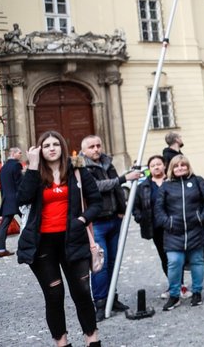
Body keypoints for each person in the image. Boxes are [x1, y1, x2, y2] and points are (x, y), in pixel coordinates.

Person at [17, 131, 102, 347]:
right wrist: (33, 166)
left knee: (82, 292)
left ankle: (92, 340)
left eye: (56, 144)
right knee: (54, 295)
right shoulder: (34, 174)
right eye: (46, 145)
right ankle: (62, 343)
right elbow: (22, 198)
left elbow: (96, 202)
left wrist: (81, 220)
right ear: (40, 150)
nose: (52, 148)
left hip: (73, 239)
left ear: (63, 147)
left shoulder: (77, 171)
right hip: (42, 244)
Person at [77, 135, 142, 319]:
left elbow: (116, 191)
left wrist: (122, 210)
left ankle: (112, 298)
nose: (96, 149)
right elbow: (95, 187)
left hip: (114, 219)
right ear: (84, 150)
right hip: (96, 222)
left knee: (114, 261)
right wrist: (123, 178)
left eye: (98, 145)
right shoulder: (81, 167)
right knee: (100, 264)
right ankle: (100, 302)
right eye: (92, 146)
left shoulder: (108, 163)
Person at [154, 154, 204, 311]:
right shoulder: (166, 186)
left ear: (188, 167)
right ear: (171, 169)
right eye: (176, 166)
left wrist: (202, 217)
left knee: (197, 262)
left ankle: (197, 292)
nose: (180, 168)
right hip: (174, 232)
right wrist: (168, 223)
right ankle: (174, 295)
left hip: (196, 229)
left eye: (183, 165)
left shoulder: (198, 181)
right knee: (174, 262)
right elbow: (158, 209)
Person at [131, 155, 185, 298]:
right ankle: (174, 286)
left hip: (174, 226)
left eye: (159, 164)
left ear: (164, 166)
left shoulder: (173, 182)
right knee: (165, 258)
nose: (156, 167)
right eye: (153, 165)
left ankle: (181, 285)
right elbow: (135, 206)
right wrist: (140, 218)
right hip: (156, 228)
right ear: (149, 169)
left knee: (177, 257)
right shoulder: (143, 187)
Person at [162, 131, 204, 270]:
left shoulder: (177, 154)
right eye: (180, 137)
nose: (182, 138)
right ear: (175, 139)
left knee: (198, 229)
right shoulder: (169, 156)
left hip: (192, 202)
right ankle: (193, 260)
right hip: (179, 202)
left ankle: (201, 258)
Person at [0, 146, 23, 257]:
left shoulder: (3, 168)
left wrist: (4, 199)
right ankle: (36, 244)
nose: (21, 155)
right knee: (30, 221)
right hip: (18, 199)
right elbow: (19, 184)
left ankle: (0, 249)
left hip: (7, 199)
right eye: (19, 153)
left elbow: (1, 187)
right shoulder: (16, 165)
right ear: (13, 154)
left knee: (4, 225)